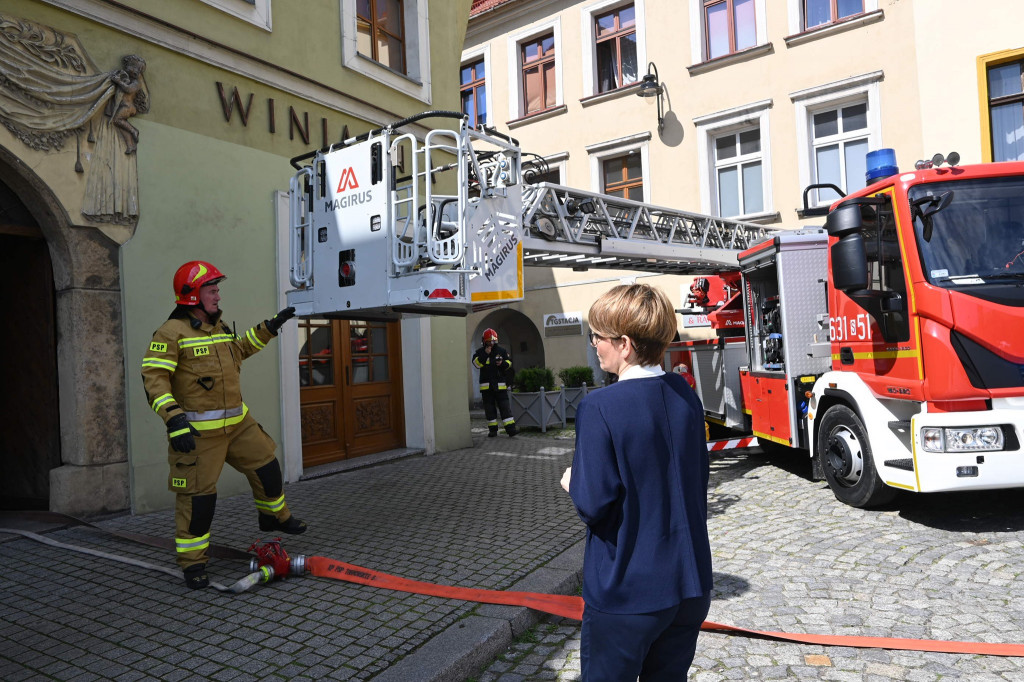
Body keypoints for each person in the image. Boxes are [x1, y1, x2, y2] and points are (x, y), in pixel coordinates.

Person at [560, 284, 712, 681]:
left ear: (624, 344)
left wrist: (573, 481)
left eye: (598, 335)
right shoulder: (685, 393)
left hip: (628, 591)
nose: (594, 343)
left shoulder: (599, 407)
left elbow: (594, 504)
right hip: (690, 583)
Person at [141, 260, 306, 589]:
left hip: (239, 424)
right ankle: (192, 563)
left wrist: (270, 327)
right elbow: (154, 378)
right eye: (211, 289)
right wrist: (174, 420)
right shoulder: (169, 333)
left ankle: (273, 517)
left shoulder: (218, 328)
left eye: (217, 288)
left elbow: (241, 349)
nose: (218, 294)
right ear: (192, 295)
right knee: (199, 501)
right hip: (200, 435)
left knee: (267, 467)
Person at [472, 328, 517, 437]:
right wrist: (485, 354)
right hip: (487, 388)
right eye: (489, 342)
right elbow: (476, 364)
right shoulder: (479, 352)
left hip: (500, 386)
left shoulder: (501, 351)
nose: (491, 344)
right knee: (489, 410)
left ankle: (511, 430)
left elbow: (509, 363)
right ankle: (493, 430)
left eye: (493, 341)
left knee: (505, 408)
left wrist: (502, 363)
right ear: (484, 341)